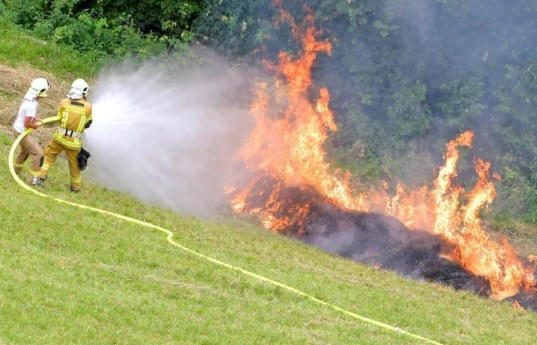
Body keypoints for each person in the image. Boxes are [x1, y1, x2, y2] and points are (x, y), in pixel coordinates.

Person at [39, 79, 92, 193]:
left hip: (59, 138)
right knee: (74, 165)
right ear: (83, 92)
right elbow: (88, 124)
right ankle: (75, 189)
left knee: (48, 156)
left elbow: (59, 117)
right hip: (74, 143)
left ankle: (40, 178)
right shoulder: (88, 107)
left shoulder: (64, 102)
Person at [12, 77, 50, 185]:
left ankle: (16, 171)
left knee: (24, 150)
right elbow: (27, 124)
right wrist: (35, 125)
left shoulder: (28, 99)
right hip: (21, 132)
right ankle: (33, 181)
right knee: (38, 153)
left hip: (17, 130)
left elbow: (26, 117)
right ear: (40, 92)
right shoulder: (32, 104)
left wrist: (35, 120)